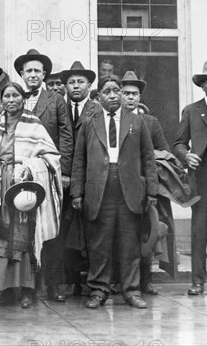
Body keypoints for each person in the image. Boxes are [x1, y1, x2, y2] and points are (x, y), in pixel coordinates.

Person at [71, 75, 159, 309]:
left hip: (129, 189)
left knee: (129, 243)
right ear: (98, 96)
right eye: (107, 91)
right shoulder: (89, 121)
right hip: (99, 189)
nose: (112, 95)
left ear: (121, 94)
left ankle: (131, 291)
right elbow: (79, 159)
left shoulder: (136, 122)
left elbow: (148, 157)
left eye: (116, 91)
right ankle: (99, 290)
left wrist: (151, 191)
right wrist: (77, 193)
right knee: (99, 242)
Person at [0, 82, 62, 308]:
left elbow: (52, 157)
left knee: (24, 236)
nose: (11, 100)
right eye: (7, 96)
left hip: (25, 186)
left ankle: (27, 290)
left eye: (16, 95)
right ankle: (5, 289)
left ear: (23, 99)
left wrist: (30, 167)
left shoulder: (34, 126)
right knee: (3, 234)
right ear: (1, 99)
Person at [14, 49, 73, 301]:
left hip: (48, 172)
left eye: (38, 71)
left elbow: (66, 136)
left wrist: (65, 171)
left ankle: (52, 285)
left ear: (44, 74)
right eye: (29, 71)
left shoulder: (55, 100)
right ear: (21, 74)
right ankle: (28, 287)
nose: (33, 75)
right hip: (21, 173)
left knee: (51, 229)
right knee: (24, 229)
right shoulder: (13, 97)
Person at [174, 60, 207, 295]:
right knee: (199, 227)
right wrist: (187, 156)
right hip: (202, 174)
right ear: (202, 86)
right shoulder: (192, 110)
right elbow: (178, 144)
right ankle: (197, 282)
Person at [120, 70, 171, 295]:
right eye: (126, 93)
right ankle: (118, 281)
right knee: (120, 234)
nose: (130, 97)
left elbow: (165, 152)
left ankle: (145, 281)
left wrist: (147, 158)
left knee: (146, 235)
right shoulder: (113, 120)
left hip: (144, 187)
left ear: (140, 97)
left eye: (134, 94)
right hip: (120, 187)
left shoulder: (150, 122)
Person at [59, 61, 100, 295]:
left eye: (80, 82)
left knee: (92, 229)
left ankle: (94, 281)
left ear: (89, 85)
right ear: (65, 86)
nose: (76, 86)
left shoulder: (97, 109)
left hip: (91, 178)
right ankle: (70, 280)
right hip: (64, 178)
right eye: (71, 82)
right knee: (66, 230)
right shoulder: (59, 107)